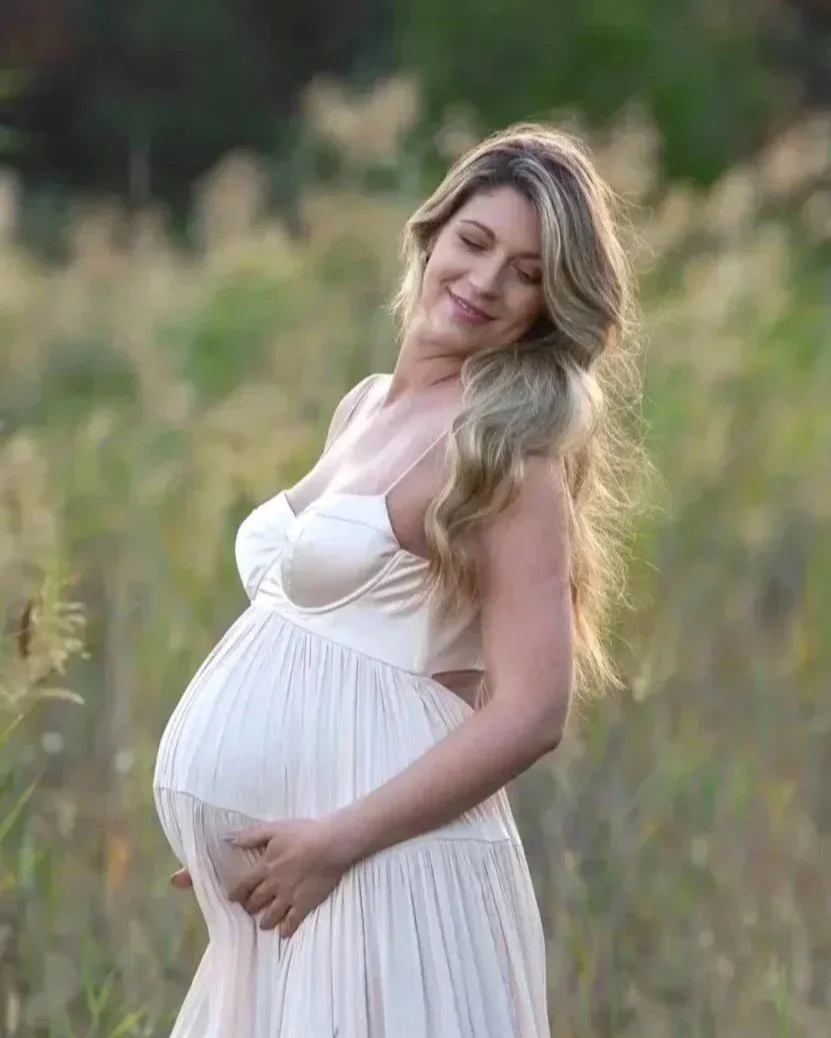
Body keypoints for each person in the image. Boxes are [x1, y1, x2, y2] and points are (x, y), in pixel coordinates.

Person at [153, 121, 644, 1037]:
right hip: (301, 877)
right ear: (431, 230)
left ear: (551, 305)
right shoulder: (368, 405)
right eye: (475, 241)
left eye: (530, 273)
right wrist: (252, 815)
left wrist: (336, 838)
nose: (488, 282)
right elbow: (416, 670)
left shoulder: (503, 452)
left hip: (383, 869)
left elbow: (530, 708)